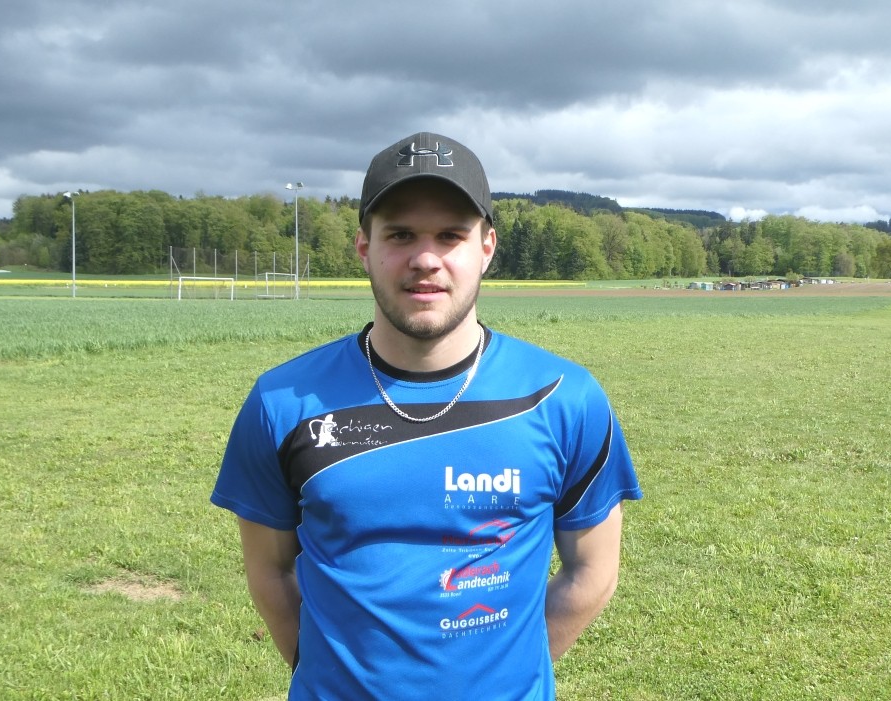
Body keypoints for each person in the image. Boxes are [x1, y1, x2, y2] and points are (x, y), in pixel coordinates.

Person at [211, 132, 642, 700]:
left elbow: (592, 571)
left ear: (486, 247)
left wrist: (508, 675)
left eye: (450, 235)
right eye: (400, 235)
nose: (425, 259)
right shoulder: (283, 402)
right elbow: (270, 572)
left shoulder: (564, 398)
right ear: (364, 246)